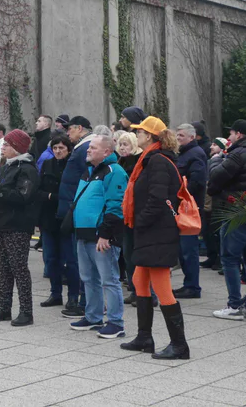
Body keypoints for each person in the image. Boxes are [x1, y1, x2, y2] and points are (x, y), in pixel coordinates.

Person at [120, 116, 189, 360]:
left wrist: (140, 222)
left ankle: (179, 345)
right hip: (151, 231)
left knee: (162, 287)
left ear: (149, 136)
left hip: (157, 231)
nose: (135, 135)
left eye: (139, 132)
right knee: (139, 279)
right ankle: (144, 337)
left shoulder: (158, 161)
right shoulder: (150, 160)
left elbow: (158, 198)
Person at [208, 119, 246, 321]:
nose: (229, 138)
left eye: (232, 134)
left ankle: (234, 305)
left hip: (237, 211)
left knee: (230, 259)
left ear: (240, 135)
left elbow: (216, 177)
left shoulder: (237, 154)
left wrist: (217, 160)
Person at [69, 134, 128, 338]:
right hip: (84, 234)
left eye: (93, 147)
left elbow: (115, 205)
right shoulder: (90, 171)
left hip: (101, 237)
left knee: (108, 280)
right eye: (89, 147)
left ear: (107, 152)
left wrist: (105, 234)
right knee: (88, 278)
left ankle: (116, 322)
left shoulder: (115, 172)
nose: (88, 150)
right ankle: (93, 316)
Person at [0, 129, 39, 326]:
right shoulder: (6, 167)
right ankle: (4, 307)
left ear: (16, 148)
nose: (3, 147)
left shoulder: (27, 169)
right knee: (3, 268)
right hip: (3, 222)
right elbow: (2, 192)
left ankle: (26, 311)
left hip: (18, 224)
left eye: (7, 144)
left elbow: (23, 196)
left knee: (19, 268)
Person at [57, 115, 94, 318]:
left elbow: (85, 181)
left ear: (80, 128)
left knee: (80, 261)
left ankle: (85, 302)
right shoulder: (82, 147)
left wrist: (73, 208)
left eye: (69, 129)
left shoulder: (84, 149)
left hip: (77, 212)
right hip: (74, 210)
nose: (67, 133)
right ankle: (84, 300)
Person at [38, 135, 76, 307]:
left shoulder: (73, 165)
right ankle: (55, 293)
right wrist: (51, 196)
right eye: (55, 148)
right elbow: (39, 190)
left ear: (68, 149)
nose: (58, 151)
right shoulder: (47, 164)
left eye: (61, 148)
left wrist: (53, 196)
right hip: (49, 217)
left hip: (67, 218)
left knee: (71, 259)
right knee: (52, 258)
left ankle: (74, 296)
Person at [173, 123, 208, 299]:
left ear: (192, 137)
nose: (178, 138)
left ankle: (193, 286)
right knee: (183, 249)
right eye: (177, 135)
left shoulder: (195, 154)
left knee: (188, 249)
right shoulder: (186, 153)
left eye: (181, 136)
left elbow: (197, 182)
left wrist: (181, 193)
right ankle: (189, 283)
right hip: (183, 207)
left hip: (189, 209)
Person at [115, 131, 143, 304]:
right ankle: (134, 289)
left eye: (126, 144)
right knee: (128, 254)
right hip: (125, 213)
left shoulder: (139, 162)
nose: (123, 147)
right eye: (121, 144)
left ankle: (144, 292)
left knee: (138, 254)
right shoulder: (120, 162)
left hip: (136, 213)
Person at [200, 137, 227, 270]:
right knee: (207, 231)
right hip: (208, 201)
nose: (211, 147)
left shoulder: (221, 161)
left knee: (215, 231)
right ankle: (212, 257)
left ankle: (218, 259)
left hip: (216, 202)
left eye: (215, 145)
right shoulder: (209, 161)